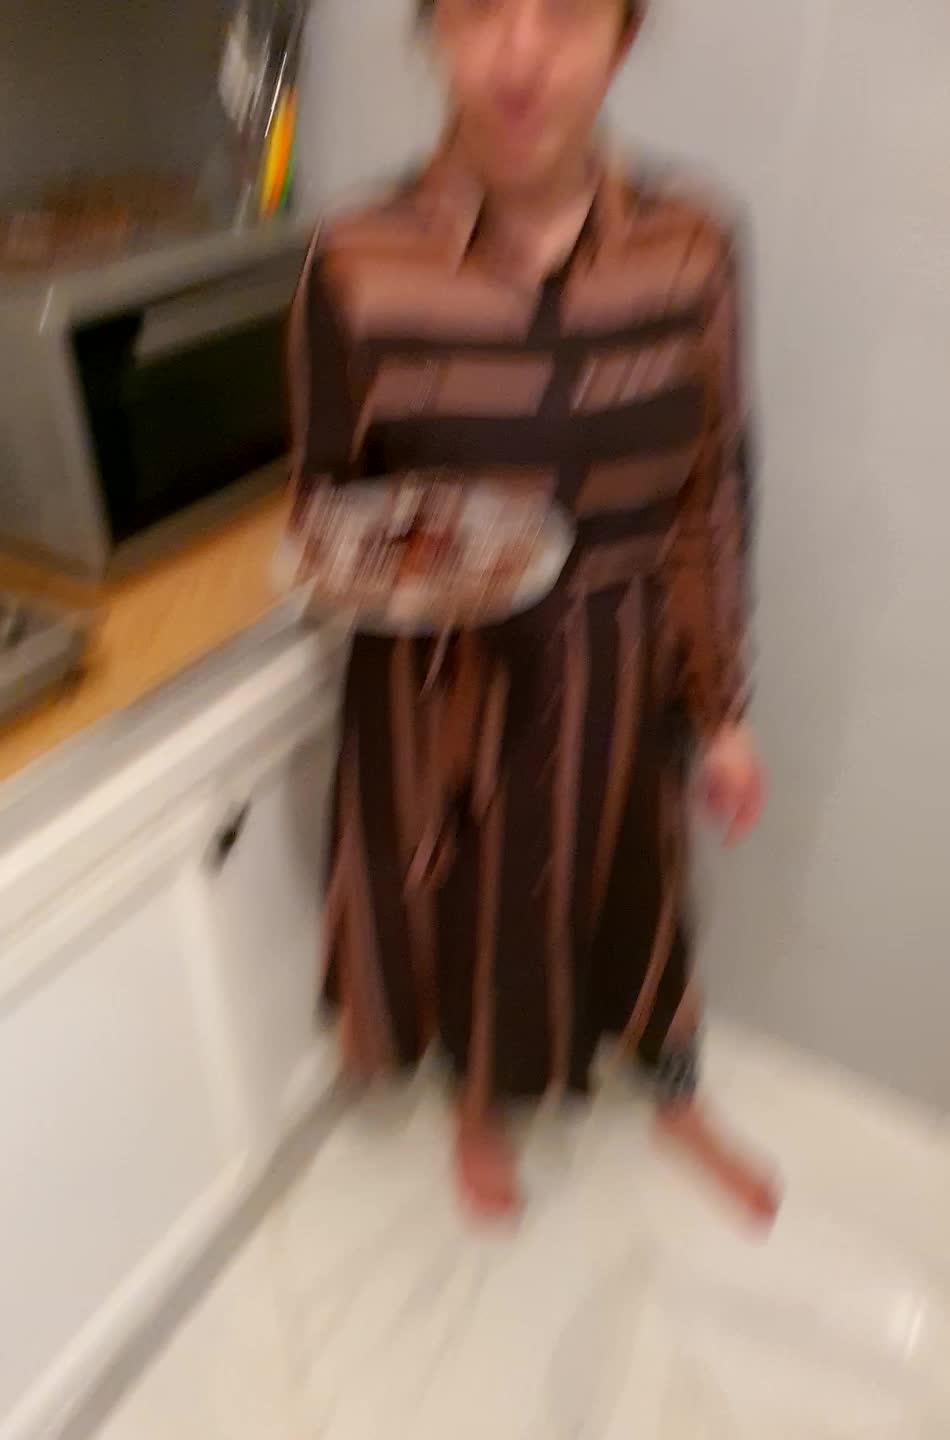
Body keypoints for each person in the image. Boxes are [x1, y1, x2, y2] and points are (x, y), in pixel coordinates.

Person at [287, 0, 779, 1223]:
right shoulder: (356, 259)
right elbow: (323, 504)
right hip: (446, 677)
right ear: (432, 33)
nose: (518, 54)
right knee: (471, 905)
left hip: (624, 661)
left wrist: (721, 708)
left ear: (623, 36)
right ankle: (481, 1107)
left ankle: (668, 1087)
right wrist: (409, 567)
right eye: (477, 10)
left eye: (564, 13)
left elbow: (711, 491)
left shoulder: (692, 245)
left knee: (635, 887)